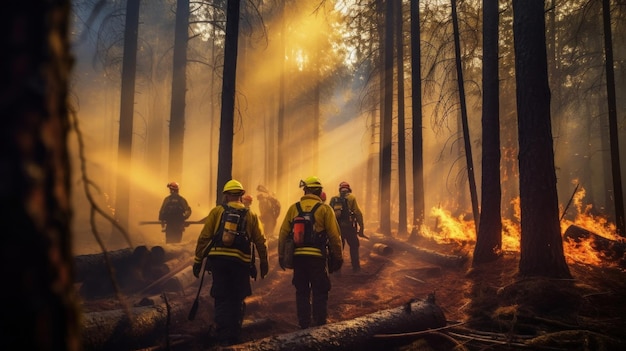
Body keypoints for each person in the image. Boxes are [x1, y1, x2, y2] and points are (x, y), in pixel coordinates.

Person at [192, 179, 269, 346]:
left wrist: (198, 260)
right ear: (241, 196)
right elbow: (260, 241)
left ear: (226, 195)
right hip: (240, 263)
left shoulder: (217, 212)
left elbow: (204, 237)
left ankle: (221, 335)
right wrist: (264, 262)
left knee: (221, 297)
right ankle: (233, 336)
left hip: (218, 261)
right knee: (237, 298)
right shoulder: (251, 215)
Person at [277, 176, 343, 329]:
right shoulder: (325, 209)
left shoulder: (294, 208)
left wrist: (281, 255)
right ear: (320, 192)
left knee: (302, 291)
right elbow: (334, 236)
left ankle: (304, 324)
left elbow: (283, 233)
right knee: (320, 290)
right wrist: (338, 257)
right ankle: (320, 324)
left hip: (299, 258)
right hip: (317, 258)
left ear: (305, 190)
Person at [329, 181, 365, 272]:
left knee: (338, 248)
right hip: (350, 228)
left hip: (338, 228)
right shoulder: (352, 197)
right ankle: (356, 268)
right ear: (349, 189)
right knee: (354, 246)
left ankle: (337, 270)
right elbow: (357, 212)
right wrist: (361, 226)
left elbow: (329, 214)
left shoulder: (334, 199)